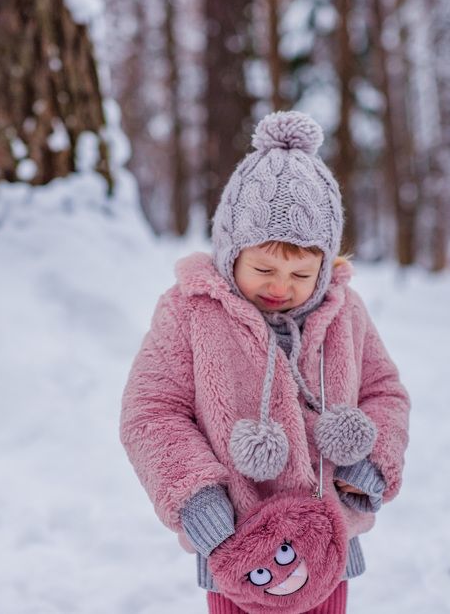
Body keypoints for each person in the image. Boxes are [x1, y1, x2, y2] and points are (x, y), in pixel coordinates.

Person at [120, 110, 411, 613]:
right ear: (231, 250)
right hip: (238, 541)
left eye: (301, 272)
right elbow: (151, 411)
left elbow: (385, 392)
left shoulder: (344, 312)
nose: (281, 287)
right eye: (263, 268)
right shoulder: (190, 312)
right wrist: (195, 495)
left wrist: (372, 463)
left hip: (327, 543)